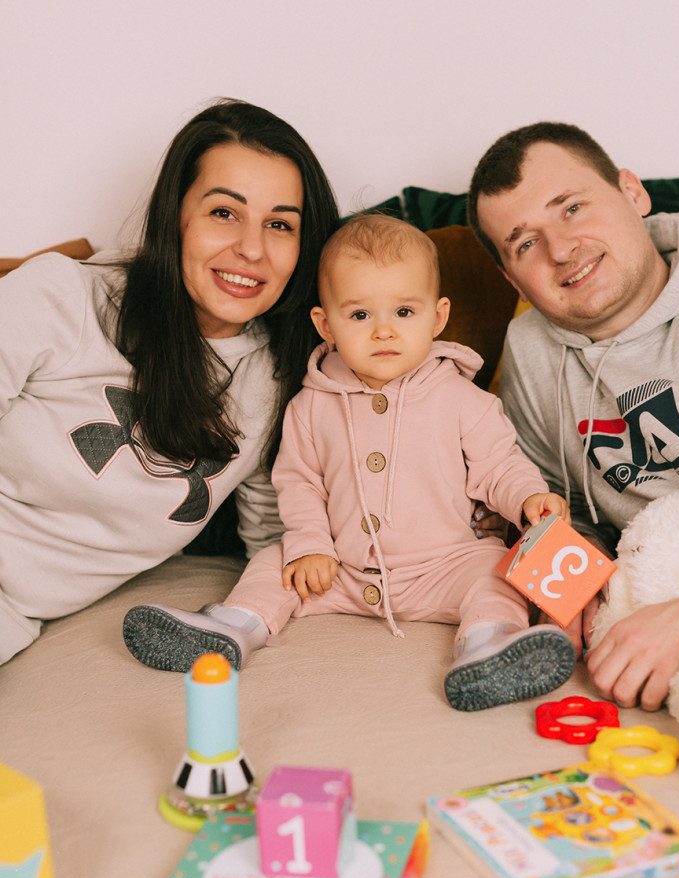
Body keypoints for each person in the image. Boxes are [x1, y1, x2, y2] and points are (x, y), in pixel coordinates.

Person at [123, 213, 577, 712]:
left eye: (404, 312)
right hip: (341, 571)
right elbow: (299, 484)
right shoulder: (310, 405)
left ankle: (488, 643)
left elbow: (500, 465)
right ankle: (234, 626)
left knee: (495, 568)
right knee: (274, 561)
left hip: (443, 566)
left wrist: (529, 498)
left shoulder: (464, 399)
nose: (383, 331)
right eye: (360, 315)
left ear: (437, 317)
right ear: (326, 325)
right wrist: (311, 547)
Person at [0, 98, 339, 665]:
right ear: (174, 216)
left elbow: (277, 539)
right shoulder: (59, 296)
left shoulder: (280, 382)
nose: (251, 249)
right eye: (224, 212)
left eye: (280, 224)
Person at [466, 121, 679, 711]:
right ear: (512, 280)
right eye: (525, 243)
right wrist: (566, 591)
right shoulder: (532, 352)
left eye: (571, 208)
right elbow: (557, 507)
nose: (561, 250)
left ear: (632, 193)